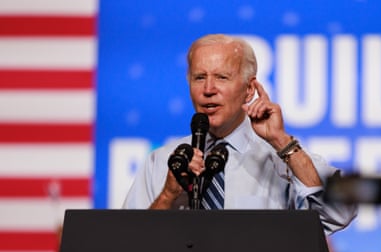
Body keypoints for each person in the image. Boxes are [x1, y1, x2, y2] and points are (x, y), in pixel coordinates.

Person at [123, 33, 357, 234]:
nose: (208, 90)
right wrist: (167, 196)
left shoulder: (279, 157)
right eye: (199, 78)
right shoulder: (163, 161)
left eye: (221, 77)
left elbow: (341, 212)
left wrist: (281, 141)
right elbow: (130, 247)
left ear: (248, 90)